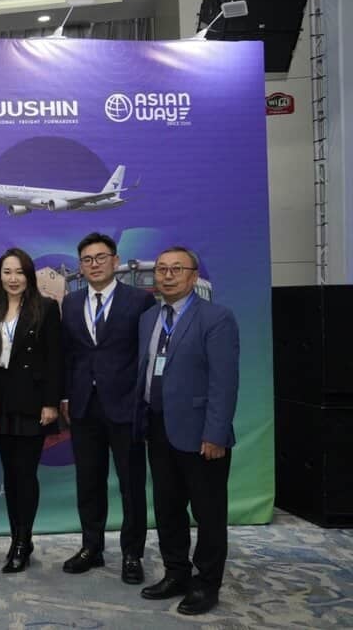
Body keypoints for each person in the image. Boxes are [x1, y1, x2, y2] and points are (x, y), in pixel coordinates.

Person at [136, 247, 239, 616]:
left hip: (201, 435)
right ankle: (176, 573)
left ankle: (206, 584)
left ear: (193, 276)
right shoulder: (149, 318)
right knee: (167, 508)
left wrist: (215, 433)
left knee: (209, 513)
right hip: (159, 429)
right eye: (161, 269)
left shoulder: (216, 318)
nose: (166, 275)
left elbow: (224, 384)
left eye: (176, 269)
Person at [60, 233, 155, 584]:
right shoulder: (70, 303)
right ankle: (91, 548)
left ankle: (132, 554)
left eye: (101, 257)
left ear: (115, 261)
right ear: (80, 266)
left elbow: (146, 356)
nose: (94, 264)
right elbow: (68, 355)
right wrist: (67, 397)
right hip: (84, 408)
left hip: (125, 407)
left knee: (131, 485)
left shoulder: (140, 301)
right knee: (89, 482)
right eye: (87, 259)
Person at [0, 247, 63, 574]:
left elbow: (56, 359)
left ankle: (23, 542)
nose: (13, 279)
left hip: (32, 403)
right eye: (7, 272)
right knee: (11, 475)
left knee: (25, 475)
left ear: (29, 275)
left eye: (19, 272)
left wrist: (51, 402)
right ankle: (17, 537)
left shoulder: (47, 309)